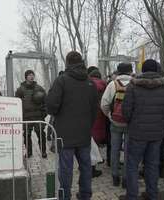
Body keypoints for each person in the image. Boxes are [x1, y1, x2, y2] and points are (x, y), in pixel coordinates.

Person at [46, 51, 98, 200]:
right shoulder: (90, 83)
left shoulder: (61, 80)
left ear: (67, 63)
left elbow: (51, 106)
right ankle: (85, 195)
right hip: (84, 134)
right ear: (81, 62)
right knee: (86, 167)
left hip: (65, 135)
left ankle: (65, 196)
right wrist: (88, 125)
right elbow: (95, 109)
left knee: (66, 170)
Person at [121, 59, 164, 199]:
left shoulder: (133, 87)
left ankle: (132, 195)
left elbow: (126, 111)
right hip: (157, 133)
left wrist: (132, 122)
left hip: (137, 132)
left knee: (132, 165)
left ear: (142, 70)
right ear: (157, 70)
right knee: (152, 164)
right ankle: (152, 194)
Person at [101, 63, 133, 187]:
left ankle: (115, 177)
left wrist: (110, 116)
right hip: (130, 123)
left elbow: (104, 104)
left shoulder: (112, 84)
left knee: (115, 149)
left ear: (118, 72)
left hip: (115, 122)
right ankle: (125, 179)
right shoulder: (135, 84)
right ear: (130, 71)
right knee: (128, 151)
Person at [15, 70, 47, 158]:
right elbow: (16, 102)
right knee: (27, 135)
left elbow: (45, 101)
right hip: (26, 116)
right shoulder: (20, 89)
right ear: (26, 77)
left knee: (41, 134)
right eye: (29, 75)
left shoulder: (39, 88)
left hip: (38, 116)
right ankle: (29, 152)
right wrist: (19, 114)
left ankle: (43, 151)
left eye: (32, 75)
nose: (31, 76)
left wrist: (44, 113)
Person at [88, 69, 106, 178]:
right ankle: (94, 166)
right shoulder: (105, 85)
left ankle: (90, 168)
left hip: (88, 117)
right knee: (96, 144)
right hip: (100, 116)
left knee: (90, 145)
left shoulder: (86, 85)